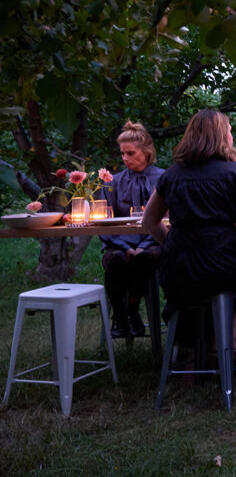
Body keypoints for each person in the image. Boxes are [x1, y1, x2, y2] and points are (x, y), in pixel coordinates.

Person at [142, 109, 236, 354]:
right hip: (221, 265)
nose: (232, 136)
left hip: (177, 268)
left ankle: (192, 348)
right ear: (222, 136)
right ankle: (230, 337)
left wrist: (170, 245)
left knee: (196, 287)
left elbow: (149, 220)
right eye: (230, 131)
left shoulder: (171, 175)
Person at [99, 121, 165, 339]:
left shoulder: (163, 179)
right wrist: (126, 247)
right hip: (119, 243)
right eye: (122, 153)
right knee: (116, 260)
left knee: (146, 258)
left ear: (146, 153)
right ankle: (119, 316)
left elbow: (168, 219)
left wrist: (143, 245)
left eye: (130, 153)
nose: (125, 158)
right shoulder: (111, 182)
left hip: (153, 242)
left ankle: (132, 309)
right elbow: (101, 221)